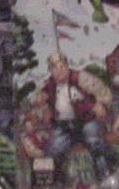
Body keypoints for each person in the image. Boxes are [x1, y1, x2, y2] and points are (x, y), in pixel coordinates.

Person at [39, 52, 113, 181]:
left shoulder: (80, 78)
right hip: (63, 125)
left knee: (96, 143)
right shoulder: (49, 85)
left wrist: (101, 105)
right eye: (55, 68)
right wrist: (43, 108)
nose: (59, 71)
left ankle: (105, 175)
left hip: (85, 121)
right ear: (50, 70)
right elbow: (39, 102)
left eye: (62, 66)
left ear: (67, 66)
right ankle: (57, 181)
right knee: (52, 150)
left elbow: (103, 91)